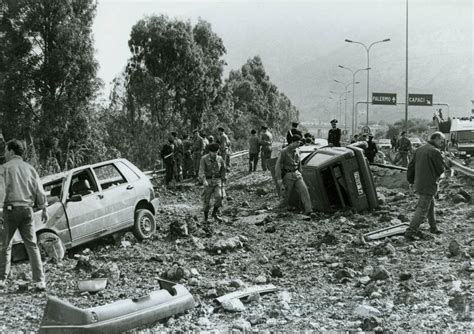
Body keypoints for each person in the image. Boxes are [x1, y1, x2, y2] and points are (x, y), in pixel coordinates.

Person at [0, 139, 48, 291]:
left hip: (10, 209)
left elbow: (1, 190)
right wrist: (44, 207)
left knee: (5, 246)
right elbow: (39, 190)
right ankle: (39, 281)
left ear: (12, 151)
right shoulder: (30, 168)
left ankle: (2, 279)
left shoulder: (4, 168)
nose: (4, 153)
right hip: (27, 210)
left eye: (6, 150)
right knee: (32, 245)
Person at [404, 132, 447, 240]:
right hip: (428, 185)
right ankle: (410, 231)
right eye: (441, 141)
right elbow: (440, 169)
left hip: (419, 183)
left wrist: (411, 180)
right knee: (422, 209)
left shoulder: (420, 149)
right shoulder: (435, 151)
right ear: (436, 139)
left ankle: (433, 227)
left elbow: (411, 166)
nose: (442, 143)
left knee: (430, 205)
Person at [275, 135, 312, 215]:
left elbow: (299, 164)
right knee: (287, 195)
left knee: (304, 191)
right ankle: (282, 210)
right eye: (297, 142)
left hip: (297, 174)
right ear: (292, 142)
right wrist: (279, 179)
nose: (298, 144)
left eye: (299, 142)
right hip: (288, 175)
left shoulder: (298, 151)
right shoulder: (284, 152)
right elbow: (278, 166)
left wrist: (301, 173)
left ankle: (308, 210)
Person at [199, 143, 226, 223]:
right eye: (213, 152)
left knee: (220, 196)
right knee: (206, 200)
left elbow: (223, 170)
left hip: (217, 180)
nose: (215, 154)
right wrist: (204, 180)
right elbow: (201, 170)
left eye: (216, 152)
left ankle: (214, 213)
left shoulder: (220, 158)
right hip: (208, 181)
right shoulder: (204, 159)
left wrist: (223, 181)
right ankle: (206, 217)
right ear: (209, 152)